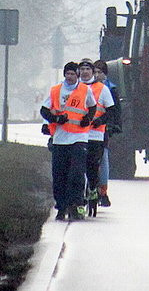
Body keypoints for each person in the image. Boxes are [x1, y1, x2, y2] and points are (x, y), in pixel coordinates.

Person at [40, 62, 97, 221]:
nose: (70, 77)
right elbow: (44, 110)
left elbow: (92, 107)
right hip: (60, 138)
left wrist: (88, 119)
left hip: (79, 137)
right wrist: (55, 119)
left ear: (77, 75)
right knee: (59, 175)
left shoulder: (85, 90)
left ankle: (76, 204)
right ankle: (61, 206)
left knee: (77, 174)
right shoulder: (56, 90)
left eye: (73, 74)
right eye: (68, 74)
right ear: (64, 75)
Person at [79, 58, 116, 213]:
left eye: (88, 69)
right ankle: (79, 199)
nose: (85, 72)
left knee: (94, 167)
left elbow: (112, 111)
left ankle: (96, 190)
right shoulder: (73, 88)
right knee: (77, 169)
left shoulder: (104, 89)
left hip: (96, 135)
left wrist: (101, 121)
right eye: (82, 69)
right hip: (77, 136)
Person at [94, 59, 120, 207]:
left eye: (100, 72)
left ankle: (103, 191)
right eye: (95, 72)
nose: (97, 75)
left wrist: (113, 125)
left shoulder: (110, 89)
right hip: (86, 131)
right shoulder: (85, 88)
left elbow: (115, 111)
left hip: (102, 130)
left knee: (103, 159)